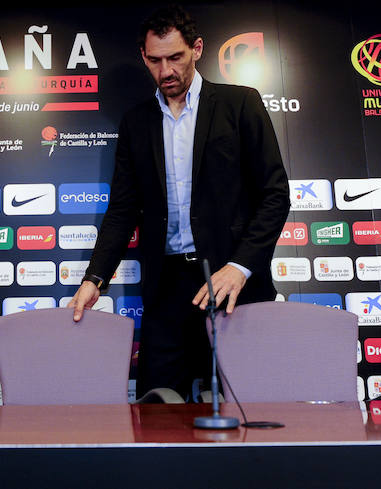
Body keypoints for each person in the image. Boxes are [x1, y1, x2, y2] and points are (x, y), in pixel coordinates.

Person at [68, 5, 290, 399]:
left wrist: (240, 267)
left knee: (246, 409)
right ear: (143, 57)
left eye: (175, 57)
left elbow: (275, 195)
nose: (166, 71)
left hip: (232, 285)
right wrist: (94, 278)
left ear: (197, 49)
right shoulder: (136, 122)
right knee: (156, 411)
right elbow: (122, 210)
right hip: (166, 291)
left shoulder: (240, 104)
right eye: (155, 60)